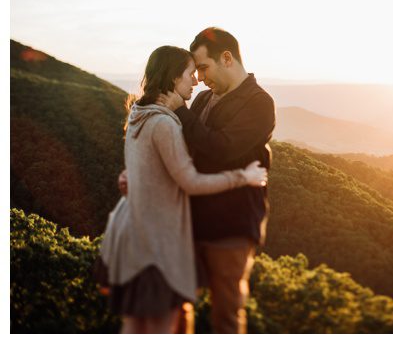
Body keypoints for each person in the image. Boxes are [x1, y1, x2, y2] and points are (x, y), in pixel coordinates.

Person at [100, 46, 268, 334]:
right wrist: (242, 177)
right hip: (160, 238)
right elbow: (188, 178)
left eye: (200, 70)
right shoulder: (166, 120)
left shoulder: (139, 113)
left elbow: (156, 159)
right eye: (192, 73)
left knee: (140, 326)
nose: (197, 80)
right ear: (173, 78)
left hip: (138, 231)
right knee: (162, 326)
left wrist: (139, 175)